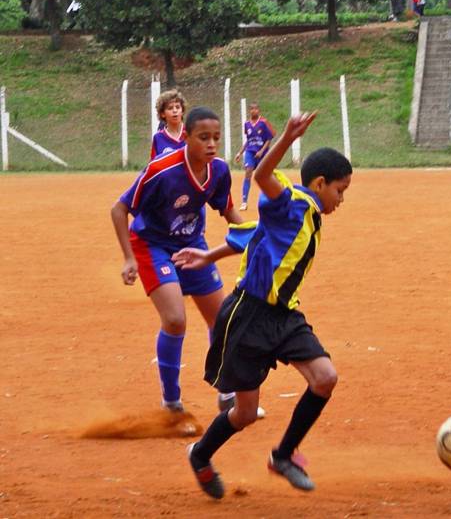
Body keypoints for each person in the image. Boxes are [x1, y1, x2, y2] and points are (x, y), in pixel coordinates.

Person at [179, 113, 353, 499]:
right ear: (320, 184)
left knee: (324, 378)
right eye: (340, 191)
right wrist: (288, 137)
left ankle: (284, 455)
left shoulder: (308, 217)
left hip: (284, 316)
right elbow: (262, 176)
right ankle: (201, 455)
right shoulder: (290, 201)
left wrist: (209, 257)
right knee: (243, 413)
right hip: (248, 314)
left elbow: (250, 235)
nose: (341, 200)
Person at [111, 107, 245, 415]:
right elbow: (119, 209)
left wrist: (258, 232)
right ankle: (171, 402)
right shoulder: (162, 170)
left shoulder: (219, 170)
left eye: (216, 138)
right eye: (203, 137)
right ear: (185, 137)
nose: (211, 144)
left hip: (192, 244)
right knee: (174, 319)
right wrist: (128, 259)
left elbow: (228, 211)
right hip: (152, 244)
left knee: (221, 319)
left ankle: (226, 394)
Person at [234, 103, 276, 211]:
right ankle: (244, 202)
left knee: (266, 176)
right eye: (251, 109)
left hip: (262, 153)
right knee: (248, 173)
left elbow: (269, 139)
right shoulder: (247, 124)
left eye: (255, 108)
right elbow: (248, 141)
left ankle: (273, 200)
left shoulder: (263, 122)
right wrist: (240, 153)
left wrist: (262, 151)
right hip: (250, 152)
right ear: (249, 111)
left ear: (259, 110)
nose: (253, 111)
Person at [150, 90, 187, 159]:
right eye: (170, 108)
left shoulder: (191, 133)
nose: (175, 110)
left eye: (178, 107)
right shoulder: (158, 138)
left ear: (182, 111)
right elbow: (154, 165)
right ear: (162, 114)